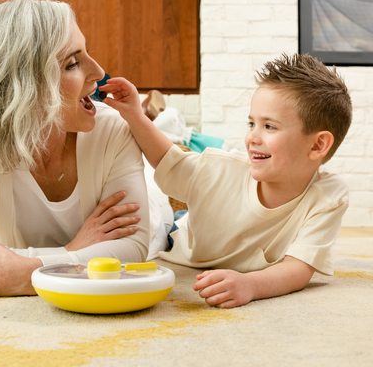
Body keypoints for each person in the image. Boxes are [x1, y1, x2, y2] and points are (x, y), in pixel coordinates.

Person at [101, 53, 352, 308]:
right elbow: (169, 159)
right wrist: (135, 115)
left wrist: (250, 285)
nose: (252, 137)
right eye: (252, 123)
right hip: (181, 232)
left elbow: (298, 268)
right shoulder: (222, 169)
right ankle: (155, 116)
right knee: (149, 222)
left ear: (318, 144)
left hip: (214, 226)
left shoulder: (329, 196)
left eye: (270, 127)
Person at [0, 0, 169, 297]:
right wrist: (72, 251)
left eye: (86, 53)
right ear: (23, 86)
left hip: (158, 215)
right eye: (72, 63)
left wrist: (25, 272)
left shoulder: (113, 129)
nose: (98, 72)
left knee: (169, 207)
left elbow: (132, 247)